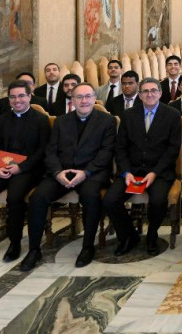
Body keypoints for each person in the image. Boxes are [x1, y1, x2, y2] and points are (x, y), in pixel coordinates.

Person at [20, 83, 116, 271]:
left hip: (91, 173)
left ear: (94, 98)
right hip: (62, 173)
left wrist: (86, 172)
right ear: (72, 100)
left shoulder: (107, 121)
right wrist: (57, 172)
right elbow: (51, 151)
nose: (84, 101)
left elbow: (106, 152)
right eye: (79, 97)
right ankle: (34, 249)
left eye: (88, 96)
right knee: (37, 198)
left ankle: (88, 247)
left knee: (91, 197)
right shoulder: (61, 121)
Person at [0, 80, 51, 263]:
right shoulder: (2, 120)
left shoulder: (41, 120)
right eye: (12, 97)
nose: (17, 100)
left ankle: (15, 242)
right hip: (1, 168)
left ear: (29, 96)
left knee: (14, 198)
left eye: (21, 95)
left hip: (27, 170)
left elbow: (42, 151)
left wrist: (20, 167)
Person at [104, 78, 182, 257]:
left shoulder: (172, 115)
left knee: (158, 201)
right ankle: (128, 236)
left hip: (159, 172)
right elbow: (121, 147)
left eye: (153, 90)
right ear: (139, 95)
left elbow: (172, 150)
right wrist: (126, 172)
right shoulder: (129, 115)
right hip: (132, 171)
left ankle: (152, 235)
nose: (150, 94)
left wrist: (155, 172)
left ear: (160, 93)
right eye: (145, 91)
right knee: (109, 200)